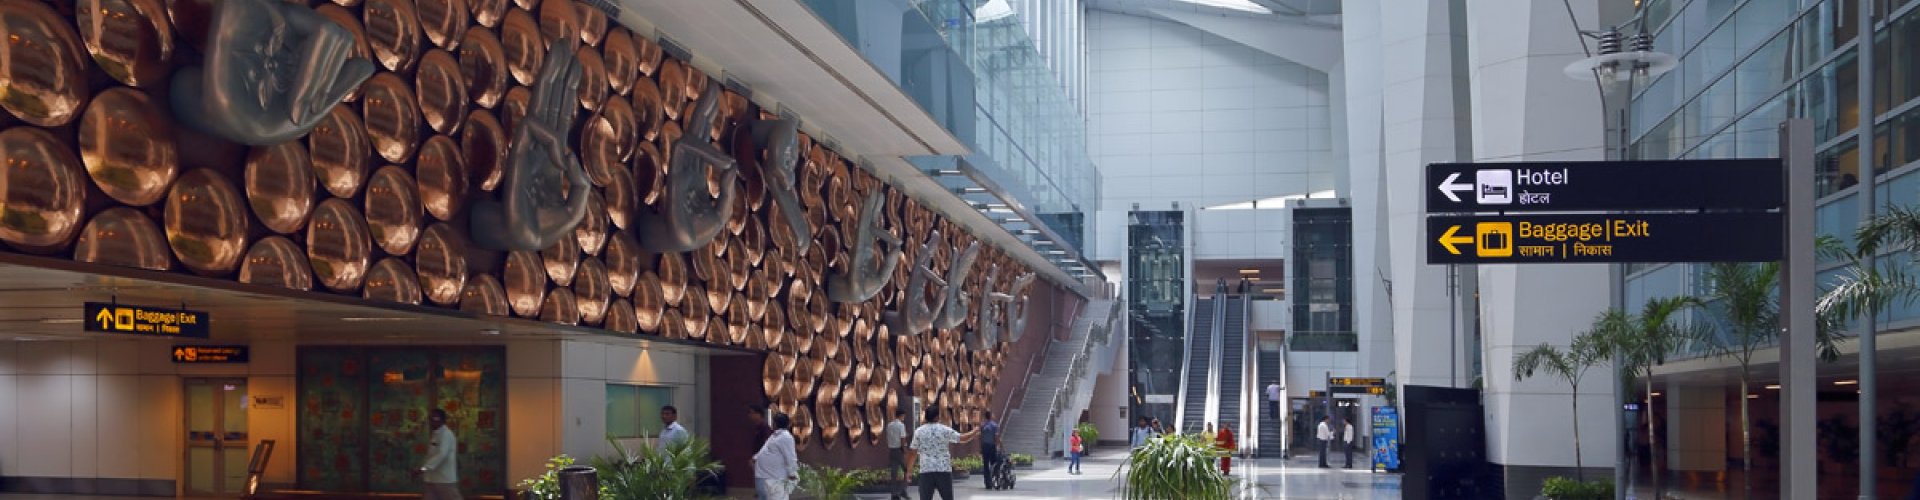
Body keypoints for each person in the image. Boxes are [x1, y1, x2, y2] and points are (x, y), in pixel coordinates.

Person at [906, 405, 981, 500]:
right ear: (937, 417)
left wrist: (909, 471)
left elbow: (913, 453)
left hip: (926, 470)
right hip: (943, 470)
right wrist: (974, 431)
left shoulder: (919, 432)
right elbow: (962, 438)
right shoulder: (944, 429)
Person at [413, 409, 461, 500]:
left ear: (443, 420)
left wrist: (423, 469)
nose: (432, 421)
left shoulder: (446, 434)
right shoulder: (436, 434)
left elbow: (441, 454)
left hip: (444, 479)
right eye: (430, 418)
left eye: (435, 418)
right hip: (431, 479)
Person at [752, 412, 799, 500]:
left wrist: (792, 473)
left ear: (775, 423)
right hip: (763, 475)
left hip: (775, 477)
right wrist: (755, 458)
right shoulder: (774, 435)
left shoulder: (786, 437)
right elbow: (764, 448)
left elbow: (790, 457)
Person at [885, 409, 909, 500]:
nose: (904, 418)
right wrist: (905, 450)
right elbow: (902, 438)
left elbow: (888, 437)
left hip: (892, 450)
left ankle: (894, 494)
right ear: (902, 415)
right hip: (900, 450)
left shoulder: (889, 425)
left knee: (893, 473)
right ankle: (902, 490)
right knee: (907, 470)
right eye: (904, 416)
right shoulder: (901, 425)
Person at [979, 411, 1004, 489]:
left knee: (986, 465)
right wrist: (1000, 445)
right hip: (992, 446)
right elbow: (996, 437)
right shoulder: (995, 426)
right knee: (994, 463)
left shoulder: (982, 425)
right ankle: (994, 478)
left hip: (984, 446)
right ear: (991, 416)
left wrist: (980, 447)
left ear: (985, 416)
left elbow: (980, 437)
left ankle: (987, 483)